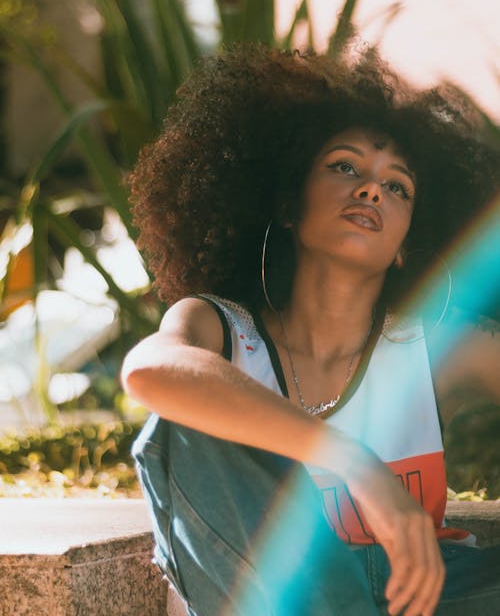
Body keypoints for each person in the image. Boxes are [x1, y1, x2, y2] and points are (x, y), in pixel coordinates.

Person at [122, 45, 500, 616]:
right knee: (183, 420)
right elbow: (149, 371)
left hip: (432, 595)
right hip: (284, 595)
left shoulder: (428, 344)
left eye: (398, 187)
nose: (372, 189)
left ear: (406, 247)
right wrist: (355, 464)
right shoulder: (220, 328)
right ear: (289, 205)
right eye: (345, 167)